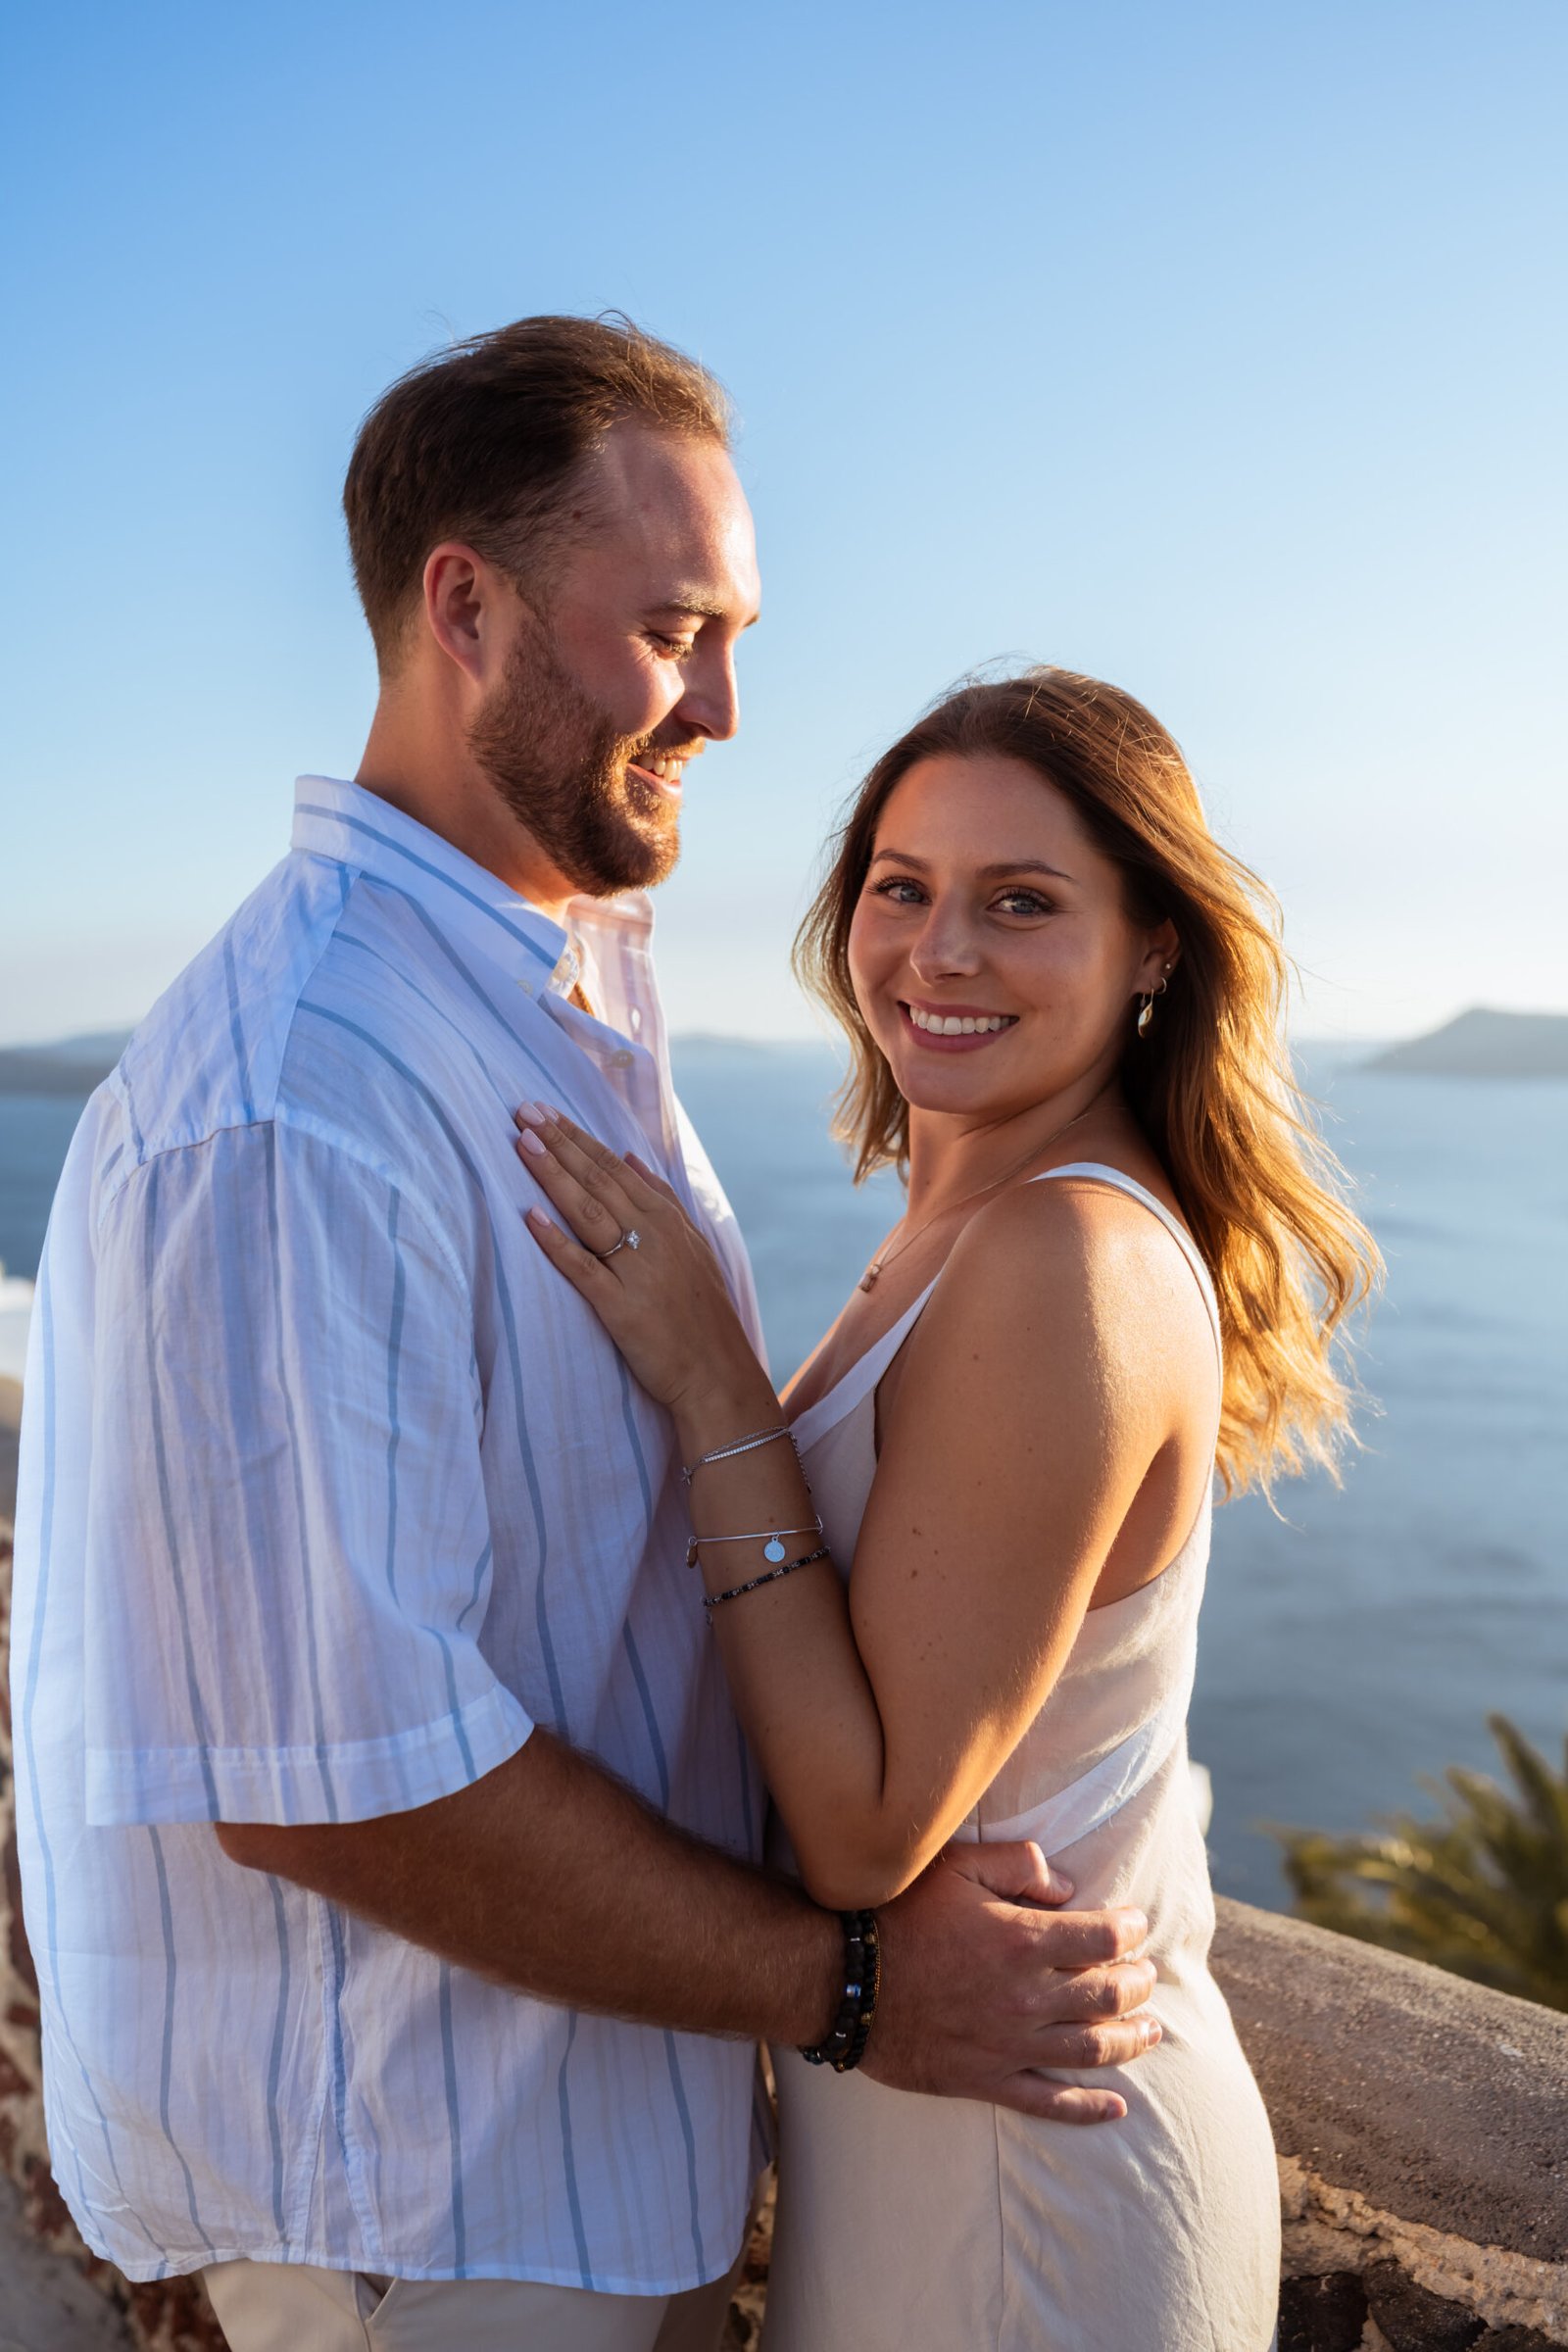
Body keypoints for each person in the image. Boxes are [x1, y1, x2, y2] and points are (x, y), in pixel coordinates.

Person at [10, 321, 1163, 2352]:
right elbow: (331, 1777)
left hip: (569, 2175)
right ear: (463, 606)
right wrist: (848, 1989)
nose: (724, 706)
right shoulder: (304, 1097)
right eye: (673, 631)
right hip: (427, 2211)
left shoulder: (551, 1016)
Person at [513, 665, 1381, 2351]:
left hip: (1026, 2184)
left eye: (1022, 902)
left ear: (1155, 949)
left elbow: (865, 1831)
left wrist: (717, 1392)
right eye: (902, 889)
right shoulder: (968, 1222)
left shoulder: (1066, 1257)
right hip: (932, 2146)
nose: (942, 950)